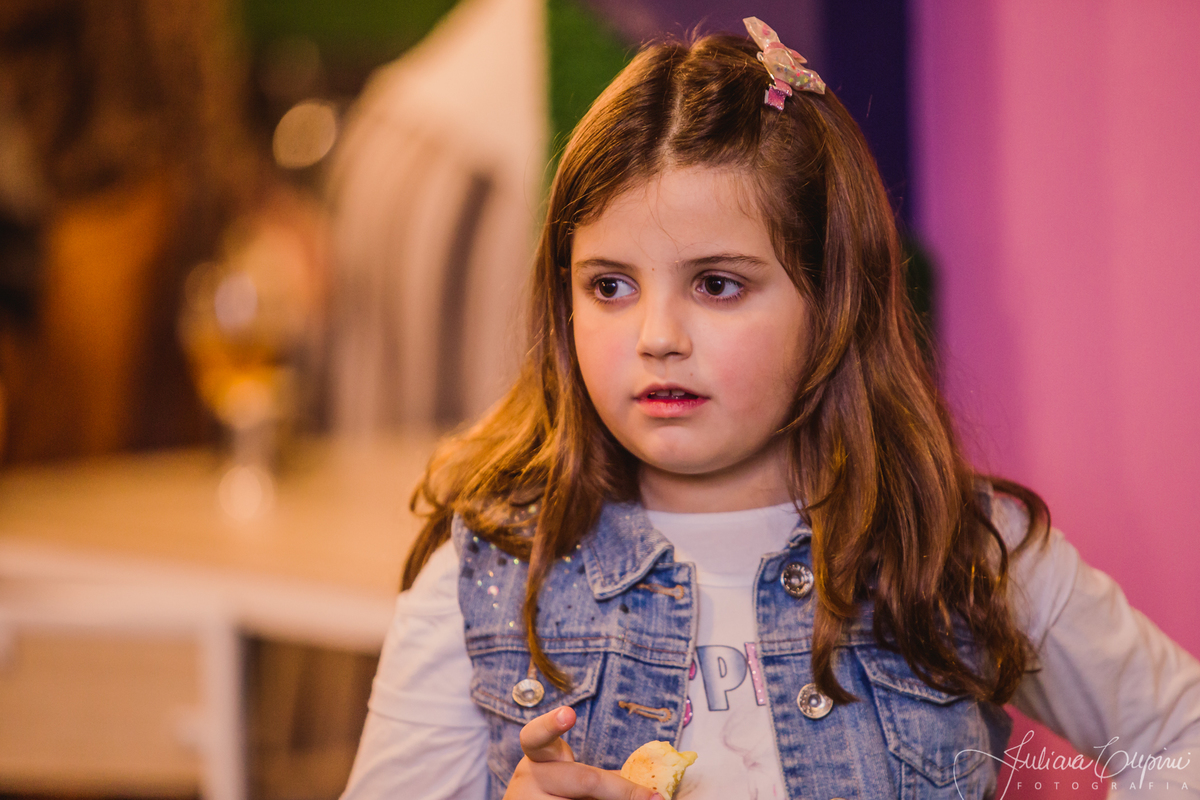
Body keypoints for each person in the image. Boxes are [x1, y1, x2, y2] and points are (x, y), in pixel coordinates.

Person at [341, 21, 1200, 800]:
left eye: (717, 285)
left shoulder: (959, 550)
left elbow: (1181, 737)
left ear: (833, 302)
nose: (657, 337)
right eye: (609, 286)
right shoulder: (487, 579)